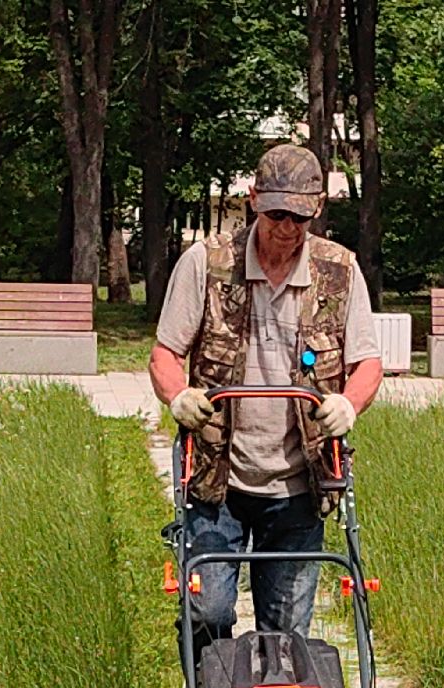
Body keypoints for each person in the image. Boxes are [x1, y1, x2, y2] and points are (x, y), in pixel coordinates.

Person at [149, 143, 383, 657]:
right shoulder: (207, 264)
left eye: (299, 215)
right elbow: (165, 354)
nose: (286, 227)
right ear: (254, 200)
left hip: (300, 480)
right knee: (208, 611)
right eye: (276, 212)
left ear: (316, 209)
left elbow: (367, 363)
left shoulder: (339, 271)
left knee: (286, 633)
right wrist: (178, 395)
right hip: (218, 476)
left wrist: (349, 402)